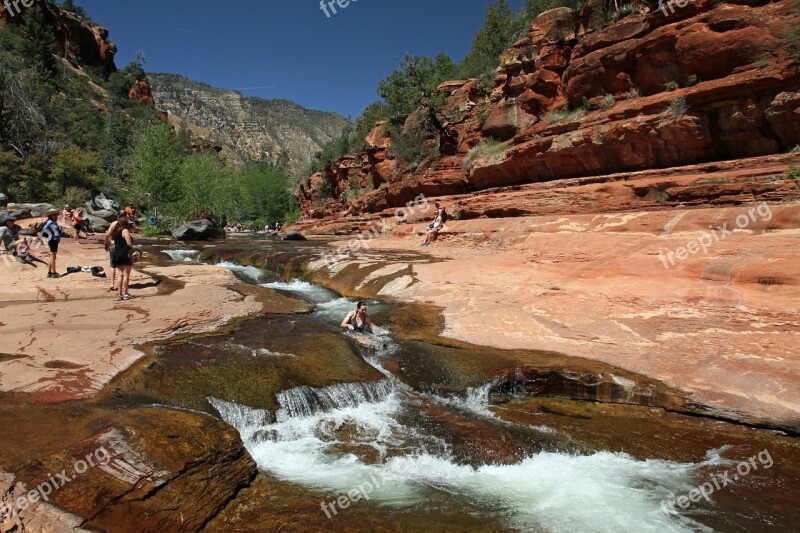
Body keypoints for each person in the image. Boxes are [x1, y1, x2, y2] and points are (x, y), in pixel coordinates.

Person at [111, 217, 135, 300]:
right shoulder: (125, 231)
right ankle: (125, 293)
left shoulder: (116, 231)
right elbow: (129, 244)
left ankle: (119, 294)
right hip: (126, 254)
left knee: (119, 275)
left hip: (117, 254)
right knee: (126, 275)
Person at [105, 211, 128, 291]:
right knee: (122, 266)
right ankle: (122, 285)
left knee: (112, 265)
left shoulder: (114, 223)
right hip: (121, 247)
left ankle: (112, 283)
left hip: (112, 245)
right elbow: (133, 229)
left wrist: (106, 243)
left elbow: (108, 234)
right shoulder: (125, 224)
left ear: (118, 215)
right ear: (125, 215)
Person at [42, 209, 61, 278]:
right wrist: (49, 234)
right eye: (55, 215)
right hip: (53, 240)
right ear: (51, 216)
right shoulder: (50, 222)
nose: (56, 216)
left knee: (52, 257)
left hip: (54, 240)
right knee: (53, 257)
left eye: (56, 215)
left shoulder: (53, 222)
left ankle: (49, 272)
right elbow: (45, 228)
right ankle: (54, 273)